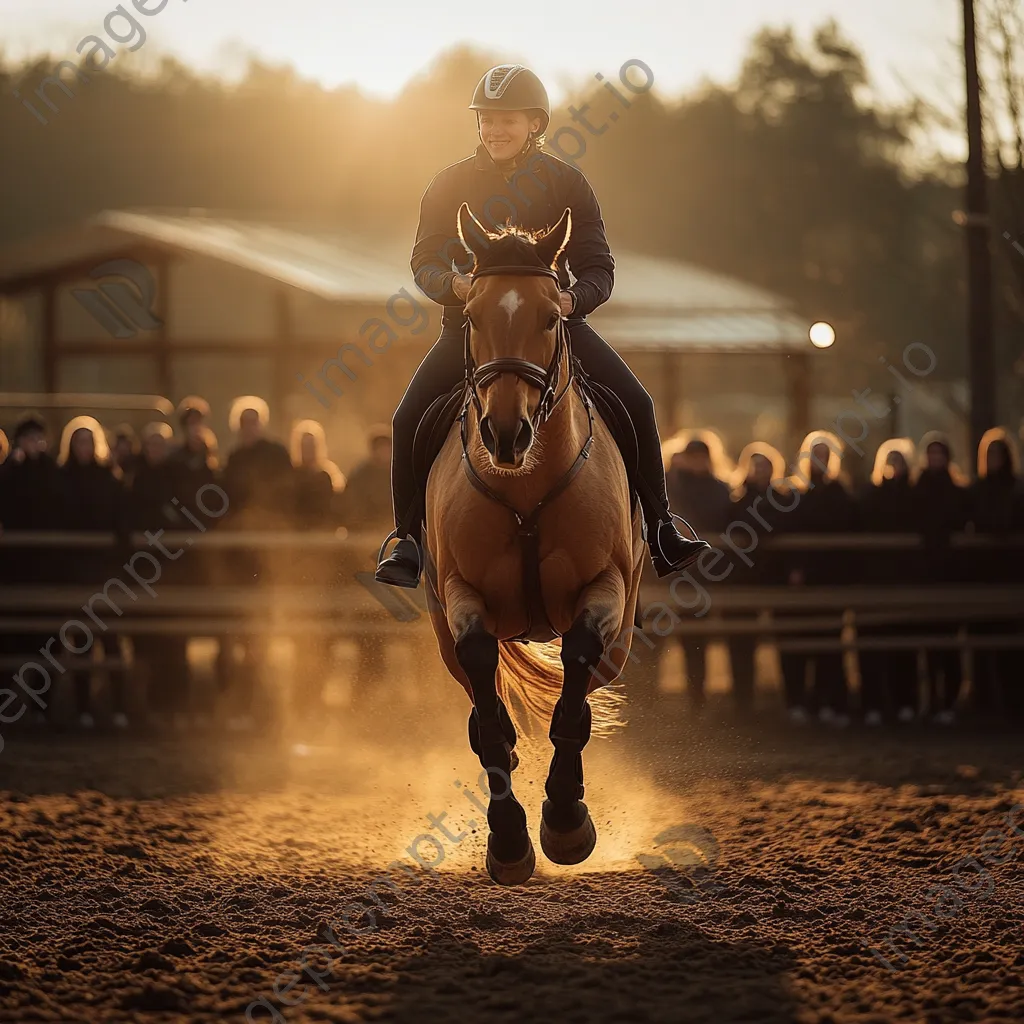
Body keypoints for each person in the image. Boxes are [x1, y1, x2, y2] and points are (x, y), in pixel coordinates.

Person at [374, 64, 710, 588]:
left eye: (506, 119)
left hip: (555, 330)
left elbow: (600, 268)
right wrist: (457, 289)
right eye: (486, 118)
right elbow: (424, 262)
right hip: (472, 332)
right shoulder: (447, 184)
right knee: (405, 420)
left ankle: (662, 528)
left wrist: (572, 300)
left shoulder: (567, 183)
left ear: (535, 123)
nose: (494, 128)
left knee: (638, 403)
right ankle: (408, 540)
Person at [57, 417, 129, 730]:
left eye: (88, 441)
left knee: (111, 640)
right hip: (75, 572)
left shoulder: (108, 478)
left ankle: (120, 708)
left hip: (104, 572)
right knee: (82, 641)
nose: (83, 448)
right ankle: (84, 708)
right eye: (78, 442)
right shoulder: (61, 478)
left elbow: (120, 518)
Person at [664, 437, 733, 710]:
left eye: (700, 456)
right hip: (675, 575)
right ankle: (647, 697)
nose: (696, 461)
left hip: (706, 574)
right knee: (662, 636)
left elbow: (720, 518)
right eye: (690, 456)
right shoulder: (674, 484)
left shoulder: (719, 488)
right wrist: (673, 470)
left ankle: (698, 695)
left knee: (698, 638)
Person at [858, 440, 919, 725]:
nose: (894, 466)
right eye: (890, 460)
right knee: (870, 645)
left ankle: (905, 701)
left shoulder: (915, 495)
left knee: (904, 646)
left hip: (905, 581)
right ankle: (873, 703)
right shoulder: (870, 495)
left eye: (899, 460)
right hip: (873, 581)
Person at [725, 443, 789, 715]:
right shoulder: (735, 501)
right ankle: (742, 700)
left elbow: (777, 528)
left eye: (765, 466)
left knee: (787, 639)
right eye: (755, 465)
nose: (760, 471)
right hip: (742, 581)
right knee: (740, 641)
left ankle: (791, 698)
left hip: (775, 579)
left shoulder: (784, 500)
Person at [912, 434, 971, 725]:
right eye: (931, 454)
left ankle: (949, 700)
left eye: (939, 454)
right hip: (923, 578)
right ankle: (930, 700)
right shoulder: (916, 490)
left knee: (948, 642)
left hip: (949, 577)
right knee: (926, 644)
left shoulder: (957, 491)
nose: (935, 459)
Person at [968, 428, 1024, 719]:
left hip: (1008, 576)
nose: (993, 460)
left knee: (1010, 646)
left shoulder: (1016, 490)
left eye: (998, 454)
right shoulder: (976, 490)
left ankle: (1013, 701)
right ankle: (984, 701)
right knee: (981, 642)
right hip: (982, 574)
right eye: (989, 454)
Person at [290, 420, 344, 531]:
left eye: (311, 445)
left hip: (323, 533)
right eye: (304, 446)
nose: (308, 450)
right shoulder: (292, 476)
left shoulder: (327, 475)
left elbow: (336, 508)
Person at [340, 426, 394, 531]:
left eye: (387, 447)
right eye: (380, 447)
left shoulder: (398, 473)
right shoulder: (360, 474)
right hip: (363, 529)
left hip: (391, 529)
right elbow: (351, 503)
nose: (383, 451)